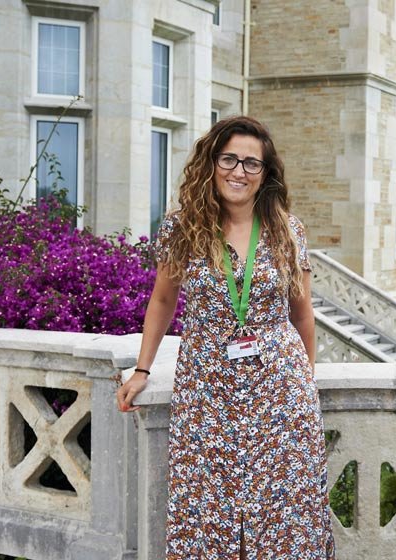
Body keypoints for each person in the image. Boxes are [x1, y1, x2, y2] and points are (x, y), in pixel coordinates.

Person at [116, 116, 334, 559]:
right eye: (229, 159)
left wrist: (304, 385)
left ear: (265, 174)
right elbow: (162, 303)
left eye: (252, 163)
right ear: (212, 164)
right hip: (207, 390)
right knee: (206, 503)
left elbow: (302, 314)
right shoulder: (182, 229)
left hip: (279, 389)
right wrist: (142, 369)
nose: (239, 171)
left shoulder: (289, 232)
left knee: (283, 506)